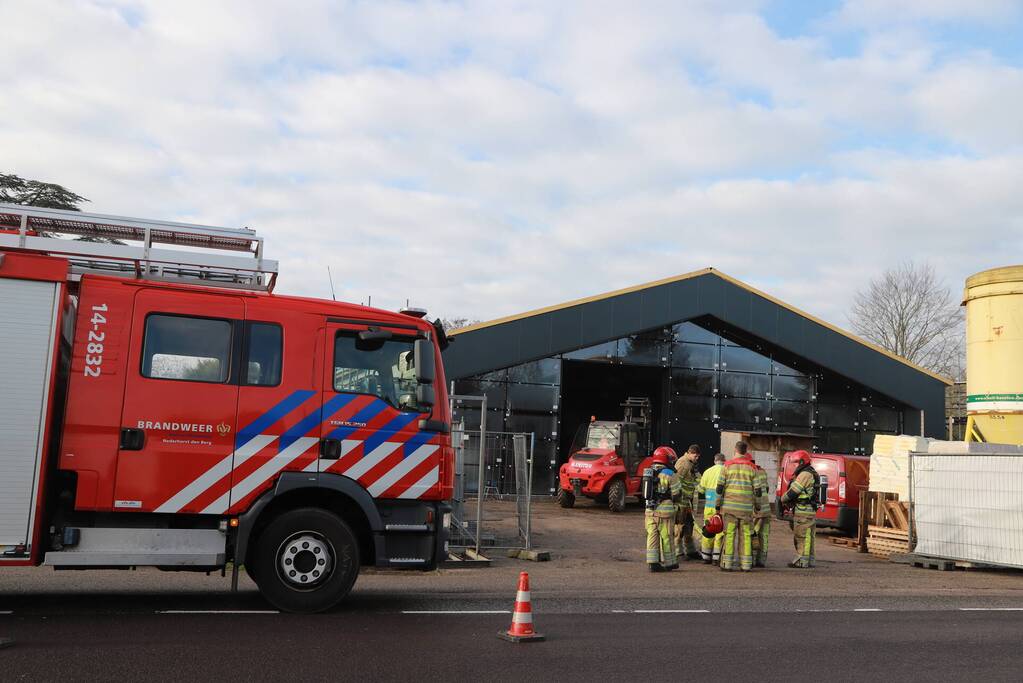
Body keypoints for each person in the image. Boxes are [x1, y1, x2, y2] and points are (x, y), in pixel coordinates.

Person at [714, 441, 762, 572]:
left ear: (735, 450)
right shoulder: (752, 467)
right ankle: (746, 564)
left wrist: (717, 505)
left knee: (729, 535)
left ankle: (727, 564)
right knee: (746, 535)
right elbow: (758, 490)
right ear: (746, 452)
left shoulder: (727, 466)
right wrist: (758, 506)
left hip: (730, 510)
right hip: (746, 510)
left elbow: (719, 488)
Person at [644, 446, 681, 572]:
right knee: (666, 536)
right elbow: (677, 494)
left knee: (652, 535)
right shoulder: (670, 474)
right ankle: (670, 562)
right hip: (665, 511)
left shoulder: (648, 471)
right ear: (666, 459)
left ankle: (653, 563)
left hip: (649, 510)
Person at [780, 450, 818, 569]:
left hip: (803, 511)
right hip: (809, 510)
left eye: (796, 463)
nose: (794, 466)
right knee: (808, 537)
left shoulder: (805, 475)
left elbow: (793, 492)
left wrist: (782, 499)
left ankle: (802, 561)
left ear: (802, 462)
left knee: (801, 535)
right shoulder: (812, 473)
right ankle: (809, 560)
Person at [673, 444, 702, 563]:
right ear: (689, 453)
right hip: (681, 501)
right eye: (695, 456)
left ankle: (690, 550)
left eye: (698, 456)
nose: (697, 458)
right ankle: (678, 552)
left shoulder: (691, 464)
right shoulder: (683, 463)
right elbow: (676, 481)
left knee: (689, 526)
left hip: (687, 501)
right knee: (680, 527)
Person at [697, 453, 726, 564]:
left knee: (708, 530)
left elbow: (701, 490)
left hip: (708, 507)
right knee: (719, 532)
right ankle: (716, 558)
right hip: (721, 507)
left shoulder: (707, 472)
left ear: (715, 461)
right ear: (724, 461)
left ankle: (705, 557)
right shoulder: (726, 470)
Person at [751, 462, 771, 568]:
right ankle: (761, 560)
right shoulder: (762, 471)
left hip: (756, 511)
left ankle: (752, 560)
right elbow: (766, 489)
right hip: (766, 509)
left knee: (753, 535)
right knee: (764, 535)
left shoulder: (749, 472)